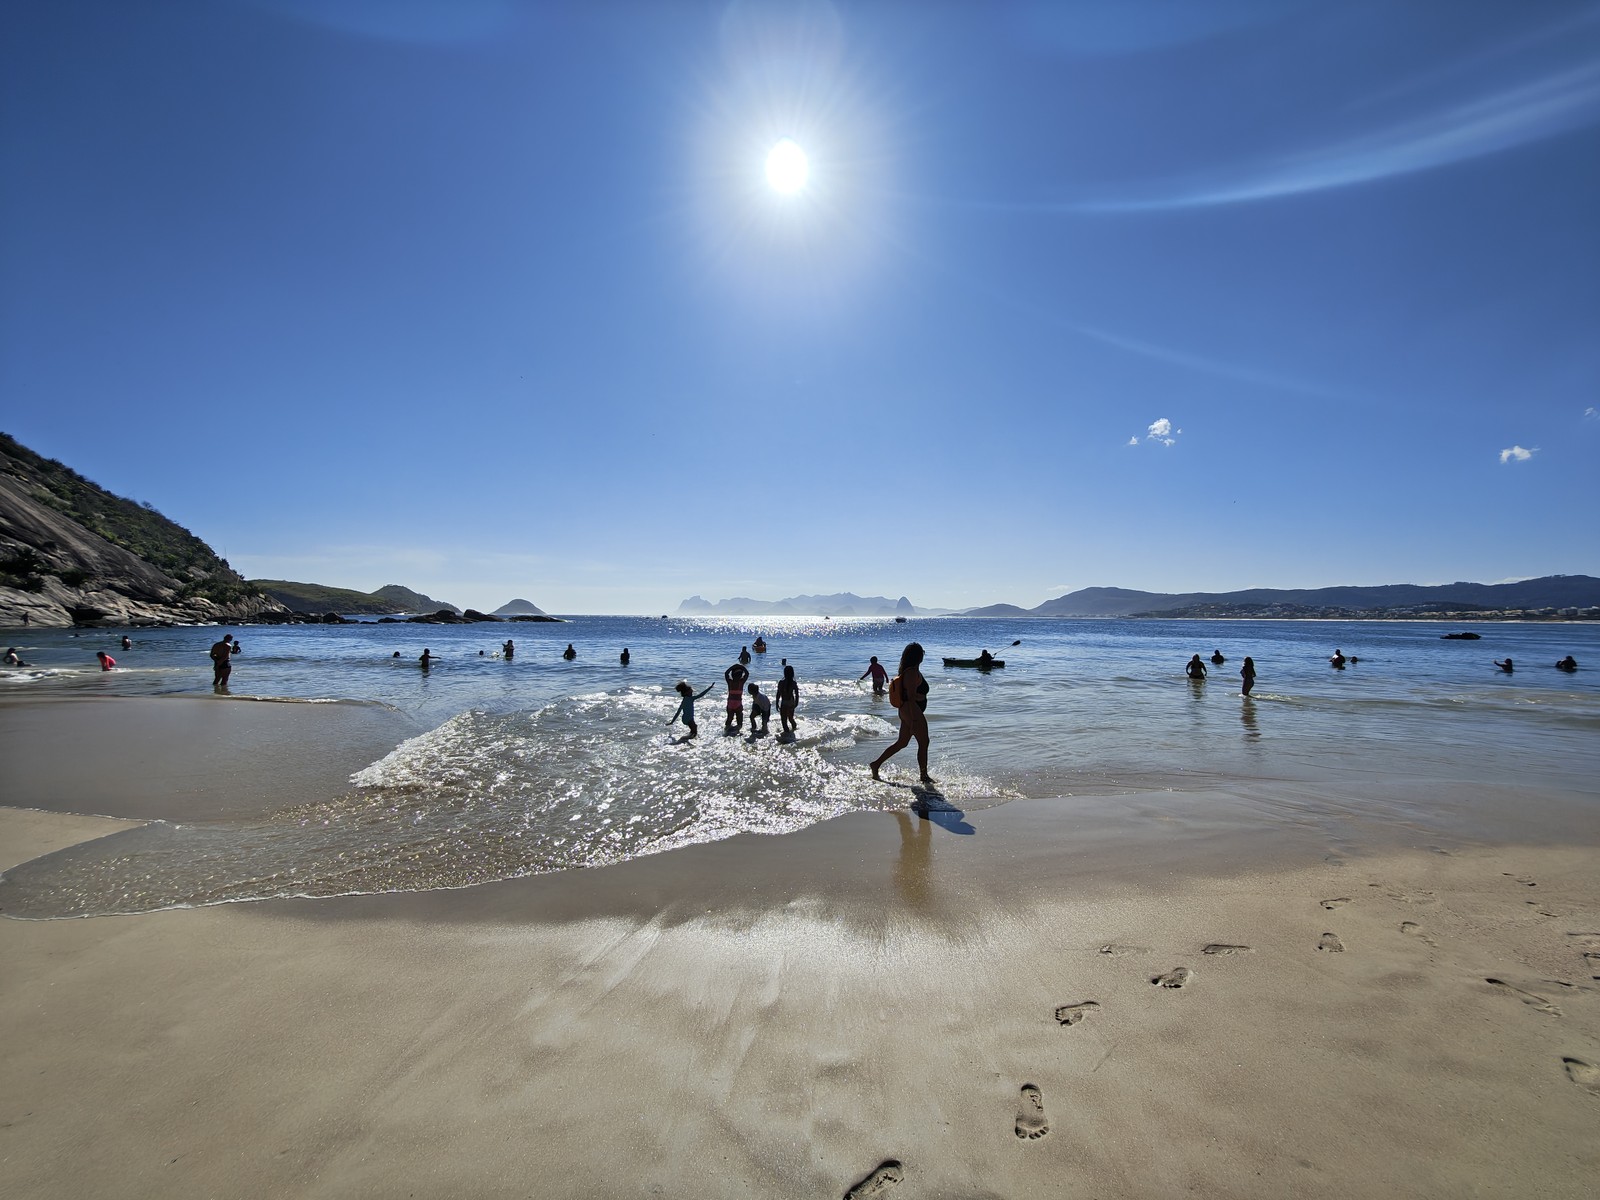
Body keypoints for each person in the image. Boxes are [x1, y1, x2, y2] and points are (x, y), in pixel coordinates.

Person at [870, 642, 933, 785]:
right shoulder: (911, 672)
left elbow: (910, 694)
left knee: (902, 743)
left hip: (907, 711)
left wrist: (920, 697)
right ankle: (924, 776)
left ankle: (876, 764)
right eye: (921, 653)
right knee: (924, 742)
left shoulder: (909, 670)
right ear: (917, 656)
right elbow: (910, 698)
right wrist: (914, 721)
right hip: (912, 711)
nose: (923, 655)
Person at [724, 659, 750, 732]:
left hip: (730, 703)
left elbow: (726, 673)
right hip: (738, 703)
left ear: (732, 675)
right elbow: (747, 673)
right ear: (741, 675)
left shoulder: (730, 682)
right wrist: (741, 667)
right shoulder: (741, 682)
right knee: (739, 717)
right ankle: (738, 728)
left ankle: (727, 728)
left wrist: (733, 667)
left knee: (729, 717)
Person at [776, 664, 799, 737]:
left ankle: (787, 734)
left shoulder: (781, 682)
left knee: (784, 720)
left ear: (784, 673)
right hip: (791, 702)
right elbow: (797, 694)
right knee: (791, 718)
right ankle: (794, 729)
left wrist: (777, 703)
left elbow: (778, 694)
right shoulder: (793, 683)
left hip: (784, 702)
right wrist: (796, 703)